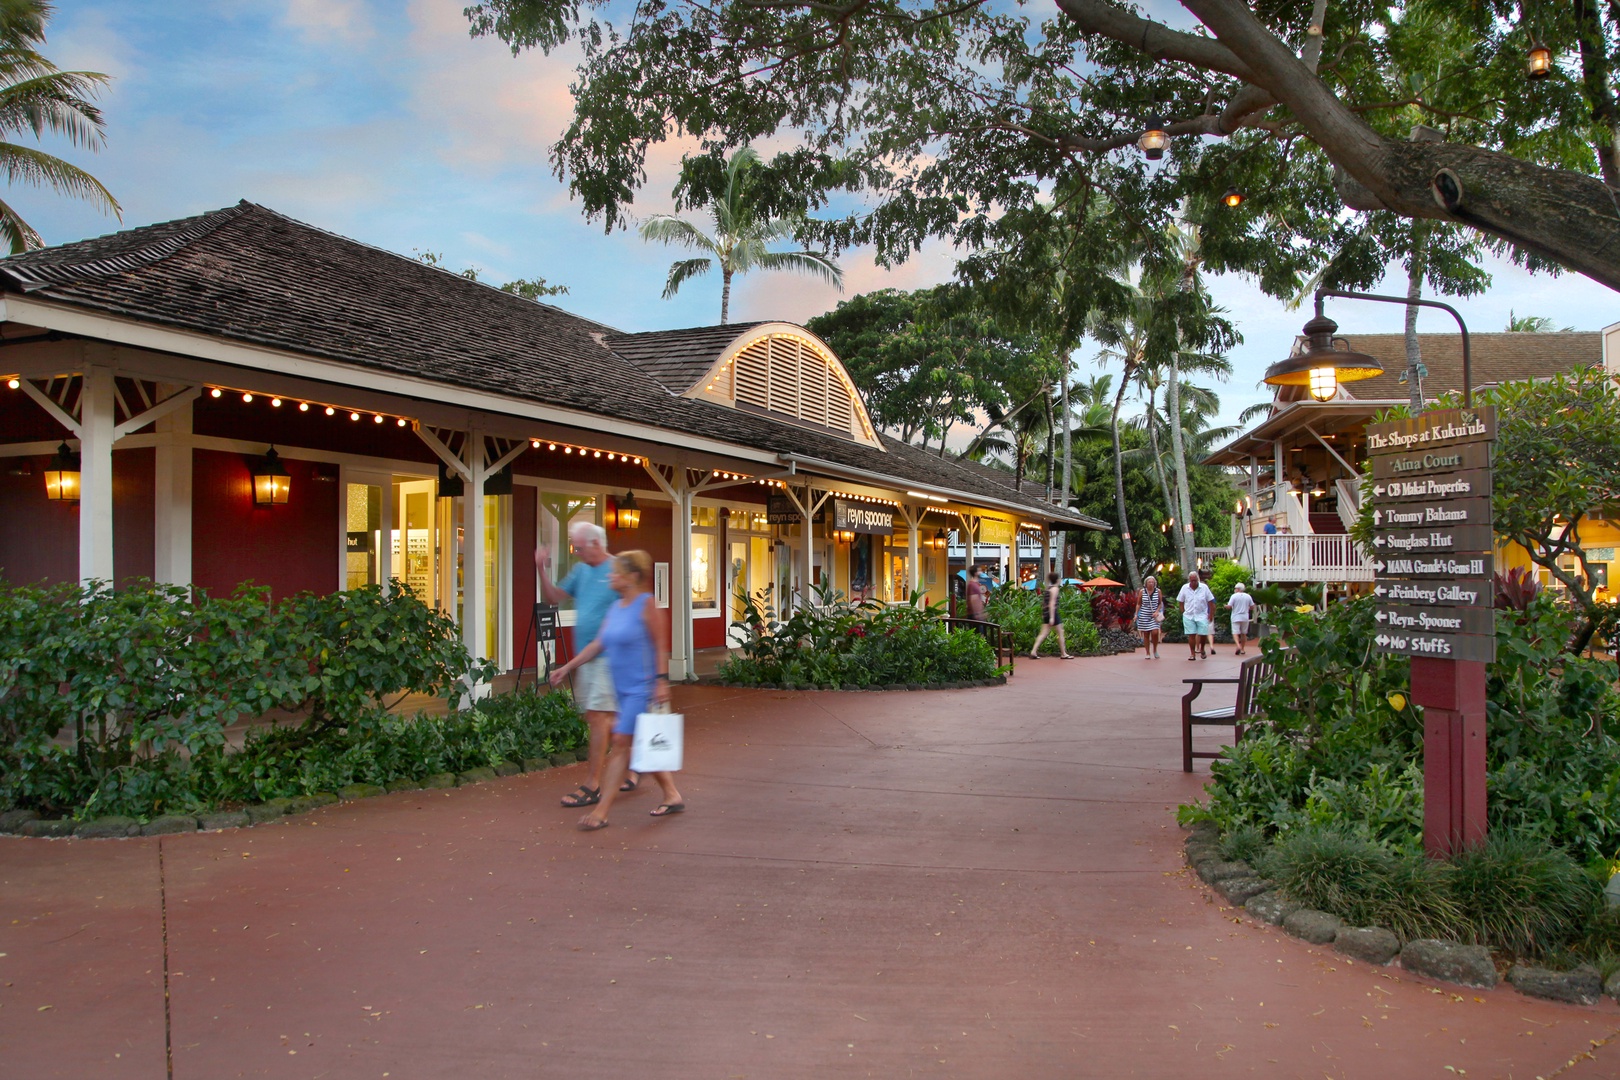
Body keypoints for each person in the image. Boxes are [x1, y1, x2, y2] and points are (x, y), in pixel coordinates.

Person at [549, 550, 684, 830]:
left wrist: (661, 681)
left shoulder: (647, 605)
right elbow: (599, 644)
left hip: (641, 688)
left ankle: (601, 811)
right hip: (621, 689)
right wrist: (567, 667)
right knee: (641, 744)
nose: (610, 575)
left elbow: (660, 645)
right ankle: (672, 794)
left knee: (621, 744)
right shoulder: (616, 607)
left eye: (616, 572)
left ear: (631, 577)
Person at [536, 521, 636, 808]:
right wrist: (541, 568)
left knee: (597, 718)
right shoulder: (581, 571)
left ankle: (593, 784)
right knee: (607, 718)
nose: (576, 552)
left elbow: (635, 608)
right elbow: (553, 597)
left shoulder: (620, 569)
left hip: (610, 657)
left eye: (579, 547)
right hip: (587, 657)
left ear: (596, 543)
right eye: (574, 547)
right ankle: (632, 767)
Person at [1029, 572, 1073, 659]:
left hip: (1046, 613)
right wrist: (1052, 617)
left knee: (1043, 633)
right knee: (1060, 632)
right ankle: (1063, 653)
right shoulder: (1055, 589)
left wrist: (1044, 614)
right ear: (1057, 580)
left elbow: (1044, 603)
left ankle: (1033, 651)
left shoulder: (1048, 589)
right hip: (1052, 613)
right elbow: (1052, 603)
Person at [1177, 570, 1216, 660]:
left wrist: (1211, 614)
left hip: (1202, 614)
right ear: (1189, 580)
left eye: (1195, 580)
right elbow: (1180, 601)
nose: (1194, 582)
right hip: (1189, 615)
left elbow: (1210, 601)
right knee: (1191, 634)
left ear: (1198, 579)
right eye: (1192, 581)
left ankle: (1202, 649)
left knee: (1203, 633)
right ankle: (1192, 653)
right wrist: (1183, 611)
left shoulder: (1204, 588)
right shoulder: (1184, 588)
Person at [1134, 575, 1164, 659]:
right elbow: (1139, 604)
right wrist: (1136, 614)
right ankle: (1147, 652)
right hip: (1144, 615)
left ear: (1155, 583)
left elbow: (1160, 603)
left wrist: (1157, 611)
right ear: (1146, 583)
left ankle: (1155, 649)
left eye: (1152, 582)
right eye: (1149, 582)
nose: (1151, 583)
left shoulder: (1158, 591)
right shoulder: (1142, 591)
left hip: (1154, 616)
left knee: (1155, 632)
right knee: (1146, 634)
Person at [1227, 582, 1256, 656]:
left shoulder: (1234, 596)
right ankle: (1242, 649)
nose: (1235, 590)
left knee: (1235, 633)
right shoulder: (1248, 596)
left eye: (1235, 588)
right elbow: (1252, 606)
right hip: (1245, 616)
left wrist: (1225, 606)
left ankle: (1238, 645)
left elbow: (1229, 606)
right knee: (1244, 633)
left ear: (1238, 589)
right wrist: (1247, 608)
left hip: (1236, 616)